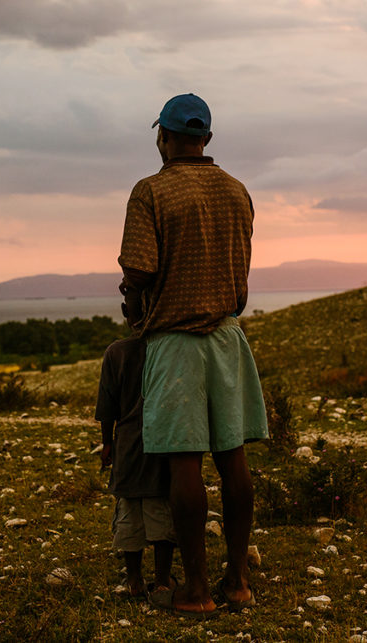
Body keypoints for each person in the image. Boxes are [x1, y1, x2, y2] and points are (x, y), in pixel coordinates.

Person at [118, 93, 268, 619]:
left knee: (186, 463)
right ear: (205, 138)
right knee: (233, 459)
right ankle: (238, 582)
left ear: (164, 136)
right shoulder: (238, 191)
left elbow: (138, 270)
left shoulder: (151, 191)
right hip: (228, 336)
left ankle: (197, 589)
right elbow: (242, 276)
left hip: (175, 342)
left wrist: (133, 303)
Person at [95, 311, 177, 600]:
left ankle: (134, 581)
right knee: (160, 510)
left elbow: (107, 406)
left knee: (129, 510)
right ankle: (164, 582)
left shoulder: (116, 352)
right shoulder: (169, 347)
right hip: (163, 442)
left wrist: (107, 444)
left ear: (126, 315)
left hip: (127, 445)